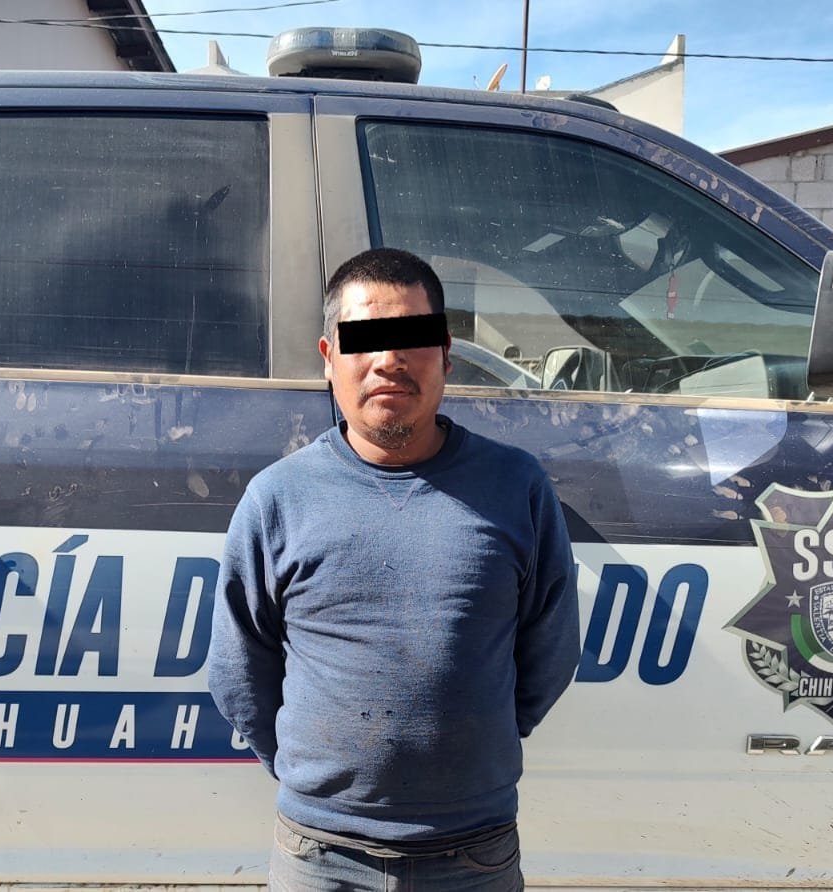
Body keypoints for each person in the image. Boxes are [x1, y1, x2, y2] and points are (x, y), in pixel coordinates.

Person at [207, 247, 580, 891]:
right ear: (330, 358)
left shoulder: (516, 486)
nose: (388, 360)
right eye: (364, 341)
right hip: (319, 855)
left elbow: (550, 649)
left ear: (446, 354)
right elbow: (240, 670)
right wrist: (318, 781)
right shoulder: (278, 498)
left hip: (473, 855)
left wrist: (473, 754)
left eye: (411, 337)